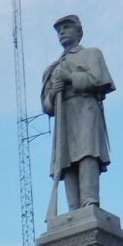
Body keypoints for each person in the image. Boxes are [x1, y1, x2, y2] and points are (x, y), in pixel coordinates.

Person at [41, 15, 114, 211]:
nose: (62, 32)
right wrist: (54, 92)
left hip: (85, 109)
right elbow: (47, 106)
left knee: (87, 152)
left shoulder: (92, 54)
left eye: (66, 27)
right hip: (64, 116)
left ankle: (89, 201)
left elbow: (100, 80)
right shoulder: (52, 68)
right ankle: (73, 208)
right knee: (65, 161)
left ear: (78, 31)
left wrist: (71, 77)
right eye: (59, 30)